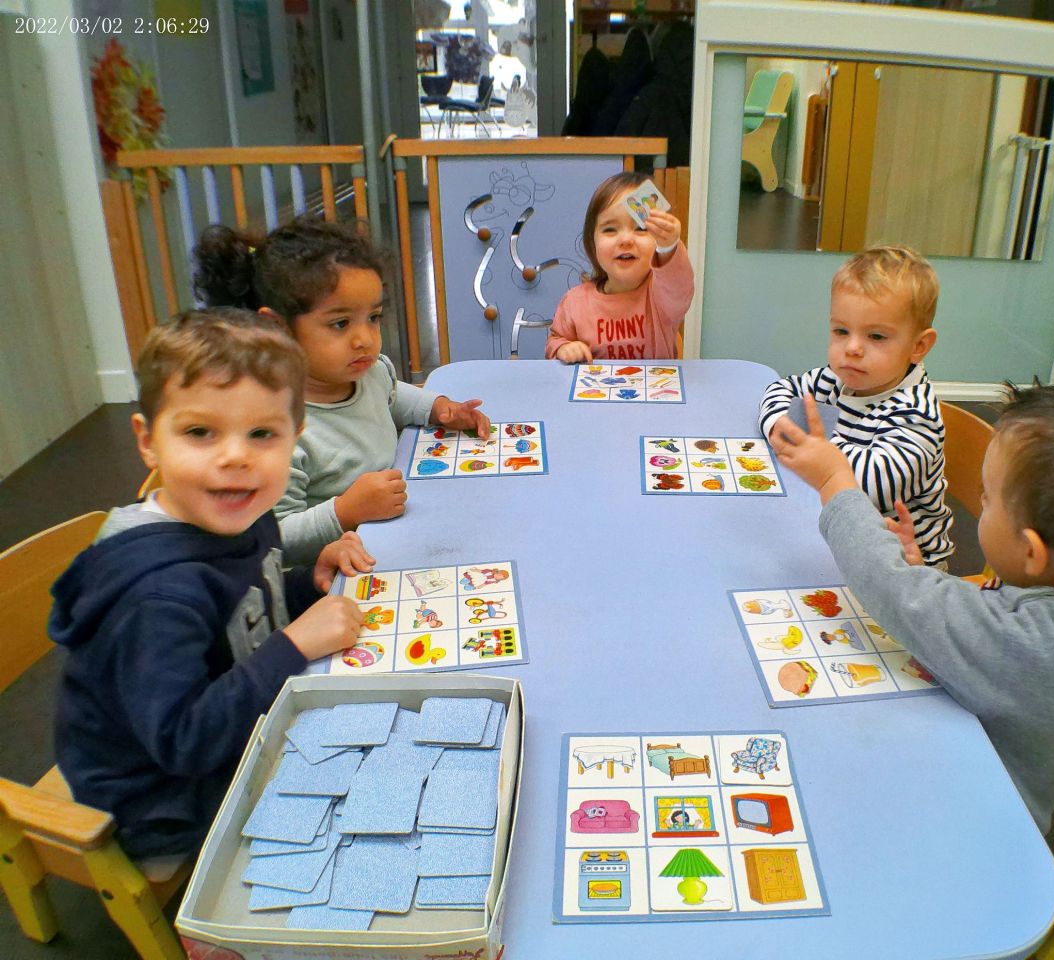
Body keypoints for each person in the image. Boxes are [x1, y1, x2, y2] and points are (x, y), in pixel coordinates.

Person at [769, 383, 1054, 833]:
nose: (981, 503)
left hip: (969, 820)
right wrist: (921, 572)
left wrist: (835, 481)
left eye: (987, 498)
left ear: (1032, 552)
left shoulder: (1027, 645)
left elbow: (889, 587)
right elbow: (979, 618)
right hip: (960, 745)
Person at [50, 309, 373, 870]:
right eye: (200, 432)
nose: (235, 457)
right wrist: (295, 643)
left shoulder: (240, 508)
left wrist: (305, 583)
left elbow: (244, 603)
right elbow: (184, 741)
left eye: (262, 434)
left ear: (295, 437)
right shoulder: (155, 599)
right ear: (148, 441)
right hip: (162, 800)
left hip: (233, 715)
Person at [194, 217, 491, 564]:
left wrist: (438, 408)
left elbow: (392, 395)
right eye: (340, 323)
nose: (364, 339)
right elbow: (271, 539)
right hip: (326, 576)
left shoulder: (369, 373)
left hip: (396, 533)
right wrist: (344, 511)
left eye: (373, 318)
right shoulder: (271, 430)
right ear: (276, 328)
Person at [758, 245, 953, 567]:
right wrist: (781, 423)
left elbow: (868, 487)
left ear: (919, 346)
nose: (852, 349)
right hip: (841, 539)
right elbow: (780, 389)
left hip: (905, 570)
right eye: (841, 331)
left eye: (876, 336)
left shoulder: (916, 416)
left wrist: (814, 449)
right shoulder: (835, 378)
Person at [545, 171, 693, 363]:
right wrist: (563, 348)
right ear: (593, 243)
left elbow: (678, 285)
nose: (625, 239)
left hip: (654, 383)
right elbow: (555, 342)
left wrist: (669, 248)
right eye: (610, 229)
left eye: (640, 228)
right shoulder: (574, 302)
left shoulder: (663, 297)